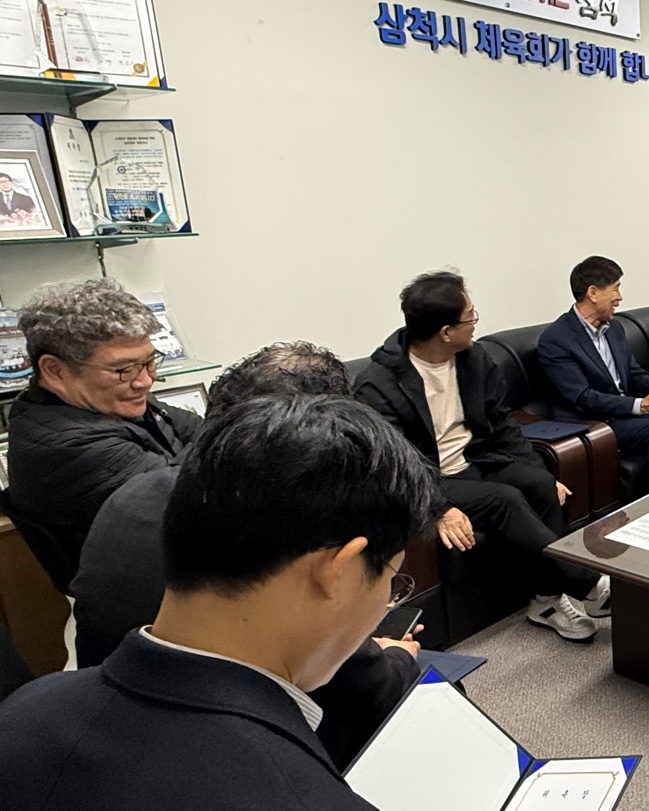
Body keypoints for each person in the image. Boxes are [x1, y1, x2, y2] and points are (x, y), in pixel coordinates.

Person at [0, 395, 444, 809]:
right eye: (392, 580)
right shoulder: (299, 795)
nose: (387, 599)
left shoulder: (23, 712)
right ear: (340, 570)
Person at [71, 342, 424, 769]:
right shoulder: (279, 517)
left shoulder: (138, 491)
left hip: (106, 706)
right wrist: (396, 658)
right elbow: (356, 679)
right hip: (220, 742)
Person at [355, 271, 608, 642]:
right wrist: (438, 508)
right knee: (504, 500)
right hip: (432, 479)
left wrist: (536, 469)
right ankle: (590, 585)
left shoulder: (473, 359)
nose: (475, 324)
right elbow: (394, 464)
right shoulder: (379, 384)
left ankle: (546, 600)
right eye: (470, 317)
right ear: (446, 332)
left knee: (540, 483)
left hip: (479, 460)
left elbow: (502, 422)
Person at [8, 279, 201, 589]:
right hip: (145, 597)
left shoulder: (111, 398)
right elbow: (195, 495)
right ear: (55, 370)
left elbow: (209, 434)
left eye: (149, 362)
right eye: (123, 369)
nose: (145, 381)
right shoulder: (61, 445)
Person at [539, 255, 649, 488]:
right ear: (593, 293)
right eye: (615, 288)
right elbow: (583, 398)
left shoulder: (614, 328)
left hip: (625, 413)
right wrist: (641, 406)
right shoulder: (556, 339)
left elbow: (634, 374)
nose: (619, 297)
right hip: (594, 422)